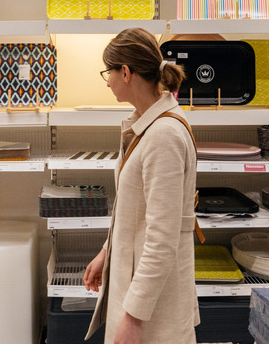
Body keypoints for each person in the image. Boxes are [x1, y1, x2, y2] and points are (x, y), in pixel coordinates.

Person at [84, 27, 200, 344]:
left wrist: (132, 319)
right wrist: (107, 251)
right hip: (137, 289)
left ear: (125, 72)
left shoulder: (163, 136)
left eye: (107, 72)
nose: (106, 81)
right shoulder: (146, 124)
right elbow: (135, 208)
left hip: (152, 310)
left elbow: (162, 239)